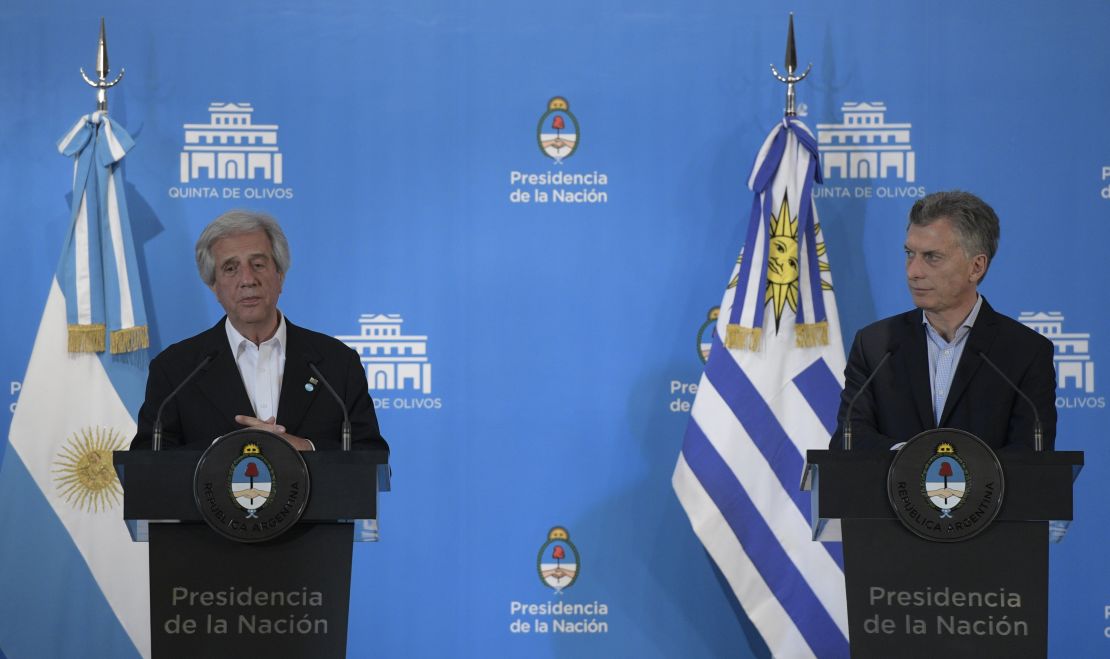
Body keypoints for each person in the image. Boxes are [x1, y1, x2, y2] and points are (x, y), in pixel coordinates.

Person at [131, 210, 386, 452]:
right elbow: (149, 460)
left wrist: (306, 448)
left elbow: (370, 456)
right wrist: (223, 449)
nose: (247, 279)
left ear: (280, 276)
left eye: (258, 264)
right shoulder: (176, 370)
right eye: (230, 268)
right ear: (213, 286)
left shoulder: (337, 364)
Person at [830, 190, 1056, 451]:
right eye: (909, 254)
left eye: (932, 257)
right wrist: (909, 461)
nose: (913, 272)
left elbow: (1032, 458)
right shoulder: (875, 346)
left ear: (976, 267)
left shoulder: (1024, 352)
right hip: (888, 491)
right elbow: (849, 439)